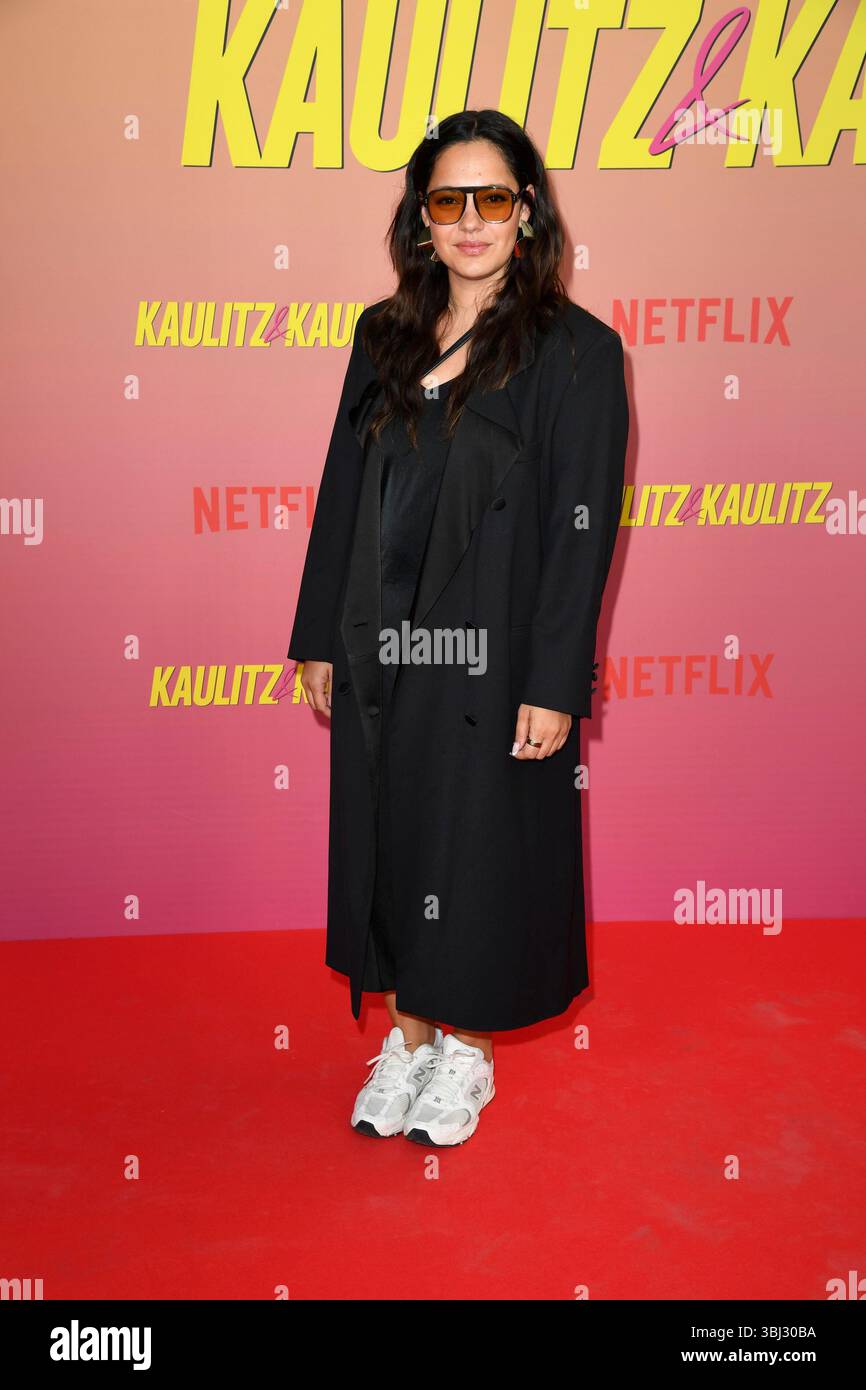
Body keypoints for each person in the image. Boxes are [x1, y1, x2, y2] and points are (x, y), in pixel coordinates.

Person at [286, 109, 629, 1147]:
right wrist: (314, 635)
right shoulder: (380, 334)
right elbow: (341, 489)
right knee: (390, 827)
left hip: (493, 653)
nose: (470, 220)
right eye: (447, 200)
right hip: (381, 642)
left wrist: (554, 679)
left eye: (492, 198)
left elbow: (582, 533)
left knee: (474, 843)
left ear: (525, 214)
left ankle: (466, 1052)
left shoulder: (577, 353)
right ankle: (406, 1031)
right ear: (420, 219)